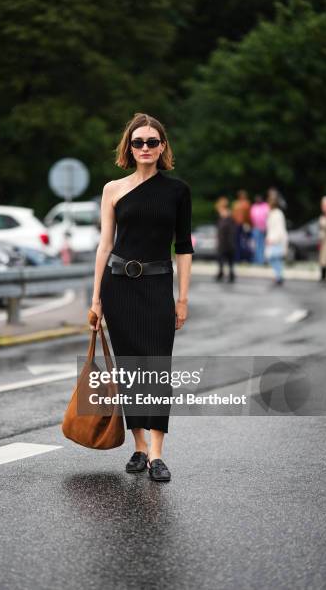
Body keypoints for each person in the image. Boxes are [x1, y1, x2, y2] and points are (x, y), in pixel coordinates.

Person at [89, 112, 194, 482]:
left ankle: (157, 453)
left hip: (156, 286)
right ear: (129, 148)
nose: (146, 148)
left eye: (152, 142)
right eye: (139, 142)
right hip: (120, 288)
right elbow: (105, 246)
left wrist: (182, 298)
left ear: (162, 146)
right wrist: (97, 298)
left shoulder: (177, 190)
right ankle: (137, 446)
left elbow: (183, 247)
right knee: (130, 368)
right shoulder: (112, 189)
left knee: (157, 368)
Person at [265, 192, 288, 285]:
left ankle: (279, 276)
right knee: (273, 258)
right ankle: (278, 275)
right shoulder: (271, 213)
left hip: (276, 239)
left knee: (275, 258)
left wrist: (273, 239)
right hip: (272, 238)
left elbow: (279, 228)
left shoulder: (278, 214)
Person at [214, 197, 236, 283]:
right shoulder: (221, 218)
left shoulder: (228, 219)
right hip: (222, 242)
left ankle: (230, 274)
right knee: (221, 259)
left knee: (229, 259)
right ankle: (221, 273)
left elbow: (231, 232)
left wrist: (230, 243)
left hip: (227, 243)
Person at [232, 190, 252, 262]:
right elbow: (247, 215)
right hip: (240, 224)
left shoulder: (237, 204)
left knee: (243, 242)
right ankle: (240, 258)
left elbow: (248, 215)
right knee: (241, 242)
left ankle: (243, 258)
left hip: (242, 224)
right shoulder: (244, 203)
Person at [250, 194, 269, 264]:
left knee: (262, 245)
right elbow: (252, 218)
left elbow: (267, 216)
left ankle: (261, 260)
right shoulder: (254, 207)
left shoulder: (265, 206)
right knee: (256, 245)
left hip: (264, 228)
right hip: (256, 228)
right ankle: (258, 260)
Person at [318, 196, 326, 283]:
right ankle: (323, 275)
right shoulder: (323, 216)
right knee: (323, 259)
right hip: (324, 241)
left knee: (325, 258)